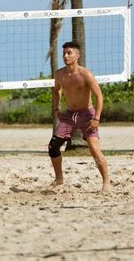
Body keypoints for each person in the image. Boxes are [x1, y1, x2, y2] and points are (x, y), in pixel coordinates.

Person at [48, 41, 111, 193]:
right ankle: (59, 179)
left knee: (94, 149)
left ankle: (107, 182)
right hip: (69, 115)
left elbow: (99, 96)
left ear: (77, 55)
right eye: (64, 53)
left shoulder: (85, 74)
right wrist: (56, 108)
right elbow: (56, 91)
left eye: (69, 53)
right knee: (53, 146)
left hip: (87, 114)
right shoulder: (59, 74)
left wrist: (96, 118)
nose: (65, 56)